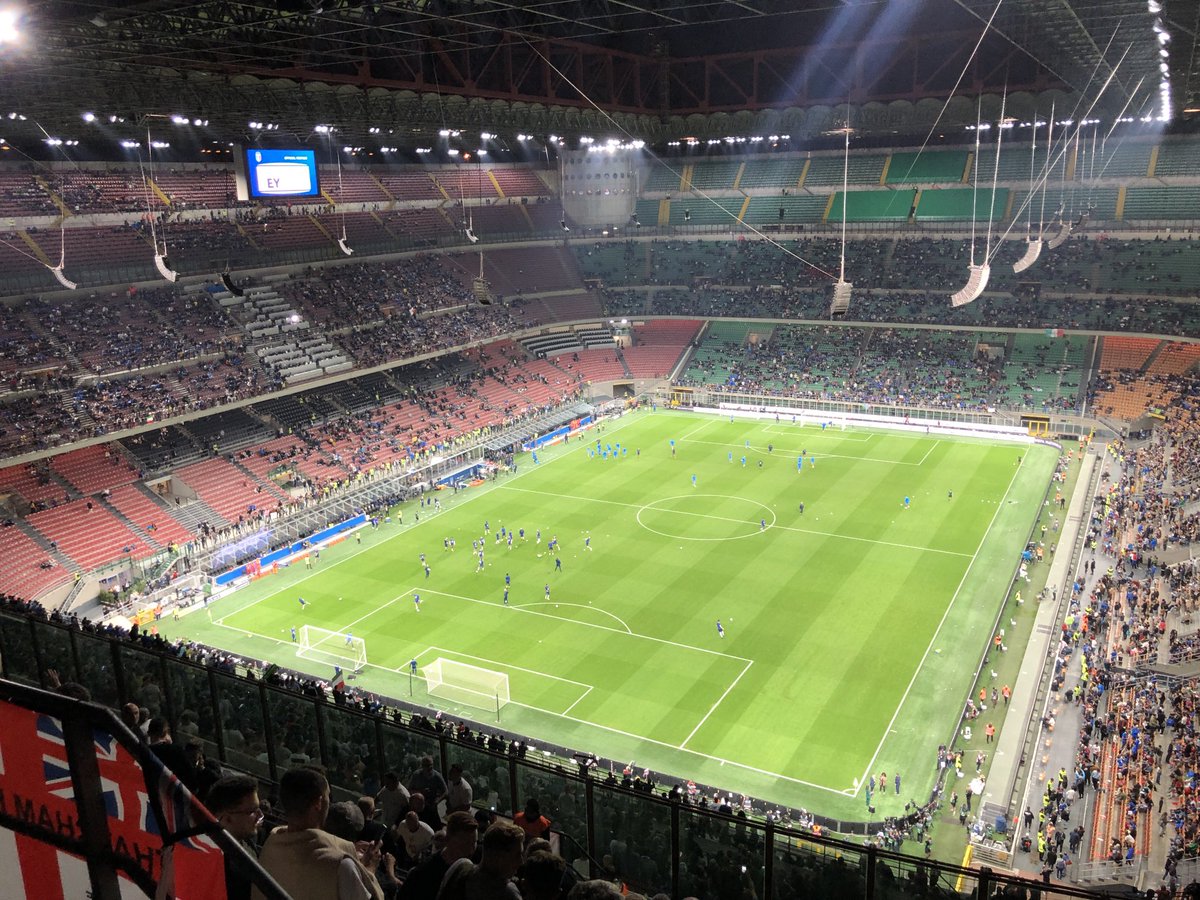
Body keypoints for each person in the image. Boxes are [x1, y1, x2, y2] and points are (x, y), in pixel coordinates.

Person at [254, 767, 385, 900]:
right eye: (328, 796)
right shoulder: (341, 865)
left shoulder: (270, 845)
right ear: (318, 802)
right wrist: (369, 870)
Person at [395, 811, 477, 900]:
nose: (471, 849)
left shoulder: (475, 868)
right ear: (448, 839)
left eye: (474, 842)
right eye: (465, 843)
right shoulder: (424, 875)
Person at [207, 774, 264, 900]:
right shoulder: (211, 861)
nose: (260, 815)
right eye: (252, 811)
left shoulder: (246, 842)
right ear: (227, 818)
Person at [435, 821, 525, 900]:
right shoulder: (508, 893)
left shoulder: (460, 868)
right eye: (517, 855)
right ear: (498, 856)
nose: (521, 862)